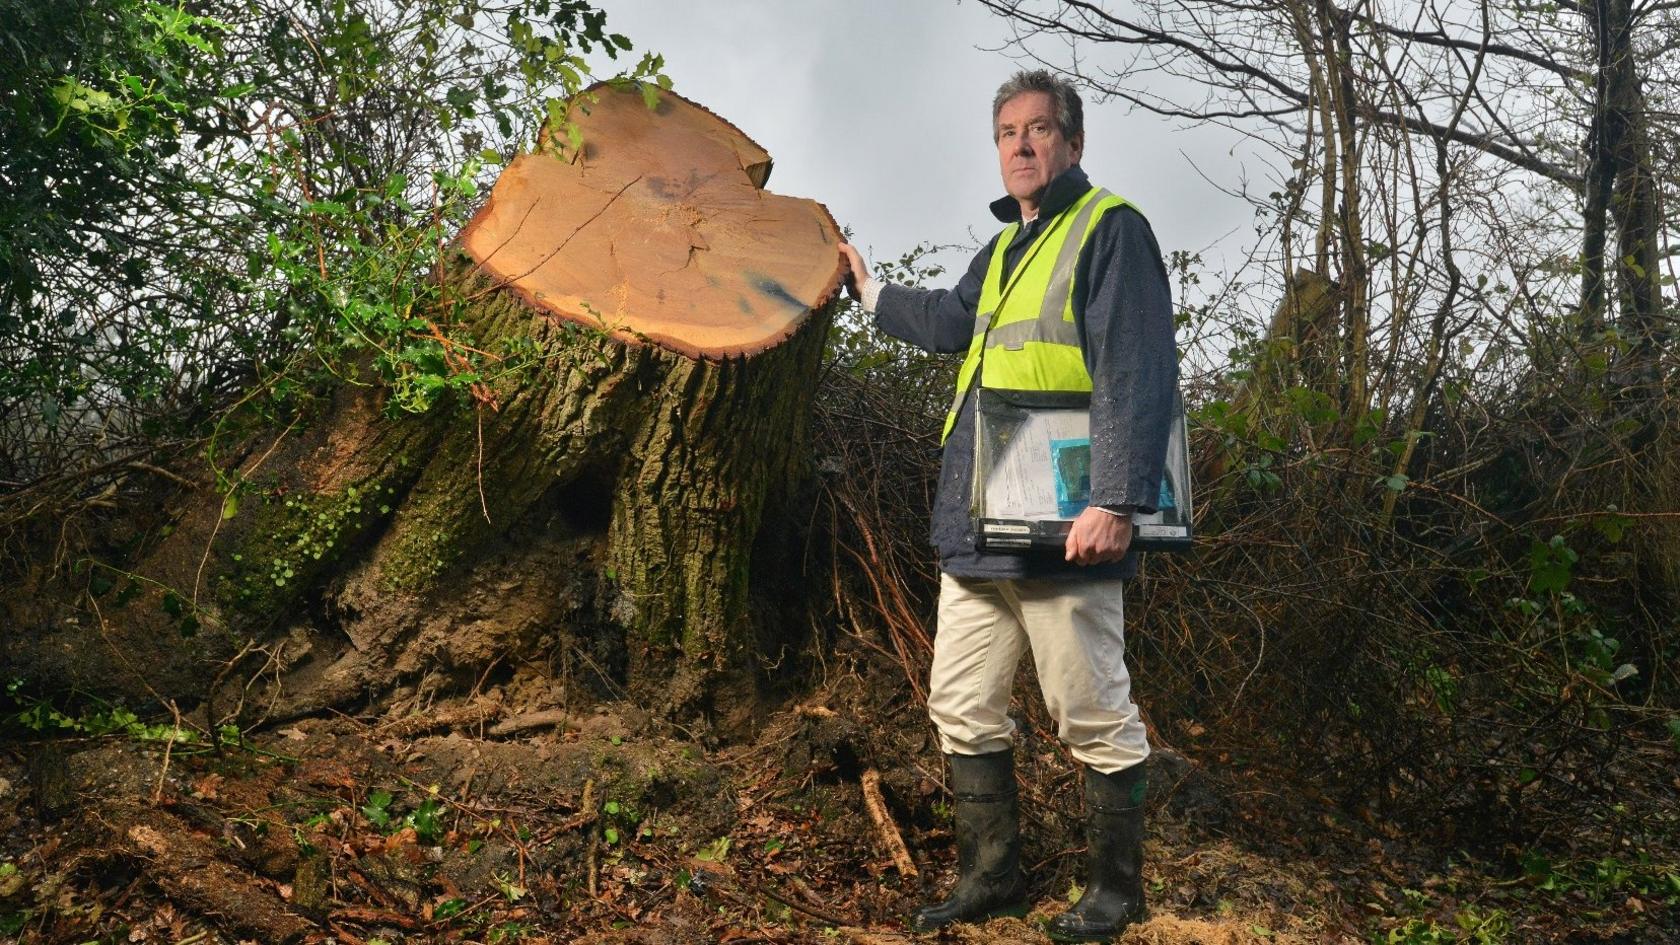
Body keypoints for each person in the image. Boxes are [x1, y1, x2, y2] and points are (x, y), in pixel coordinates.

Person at [839, 69, 1177, 940]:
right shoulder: (1003, 251)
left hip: (1069, 532)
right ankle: (993, 878)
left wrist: (1117, 501)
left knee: (1089, 711)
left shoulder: (1110, 231)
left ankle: (1116, 892)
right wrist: (870, 291)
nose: (1020, 146)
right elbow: (952, 321)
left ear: (1071, 142)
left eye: (1037, 130)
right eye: (1006, 133)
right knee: (959, 702)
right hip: (981, 529)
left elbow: (1137, 372)